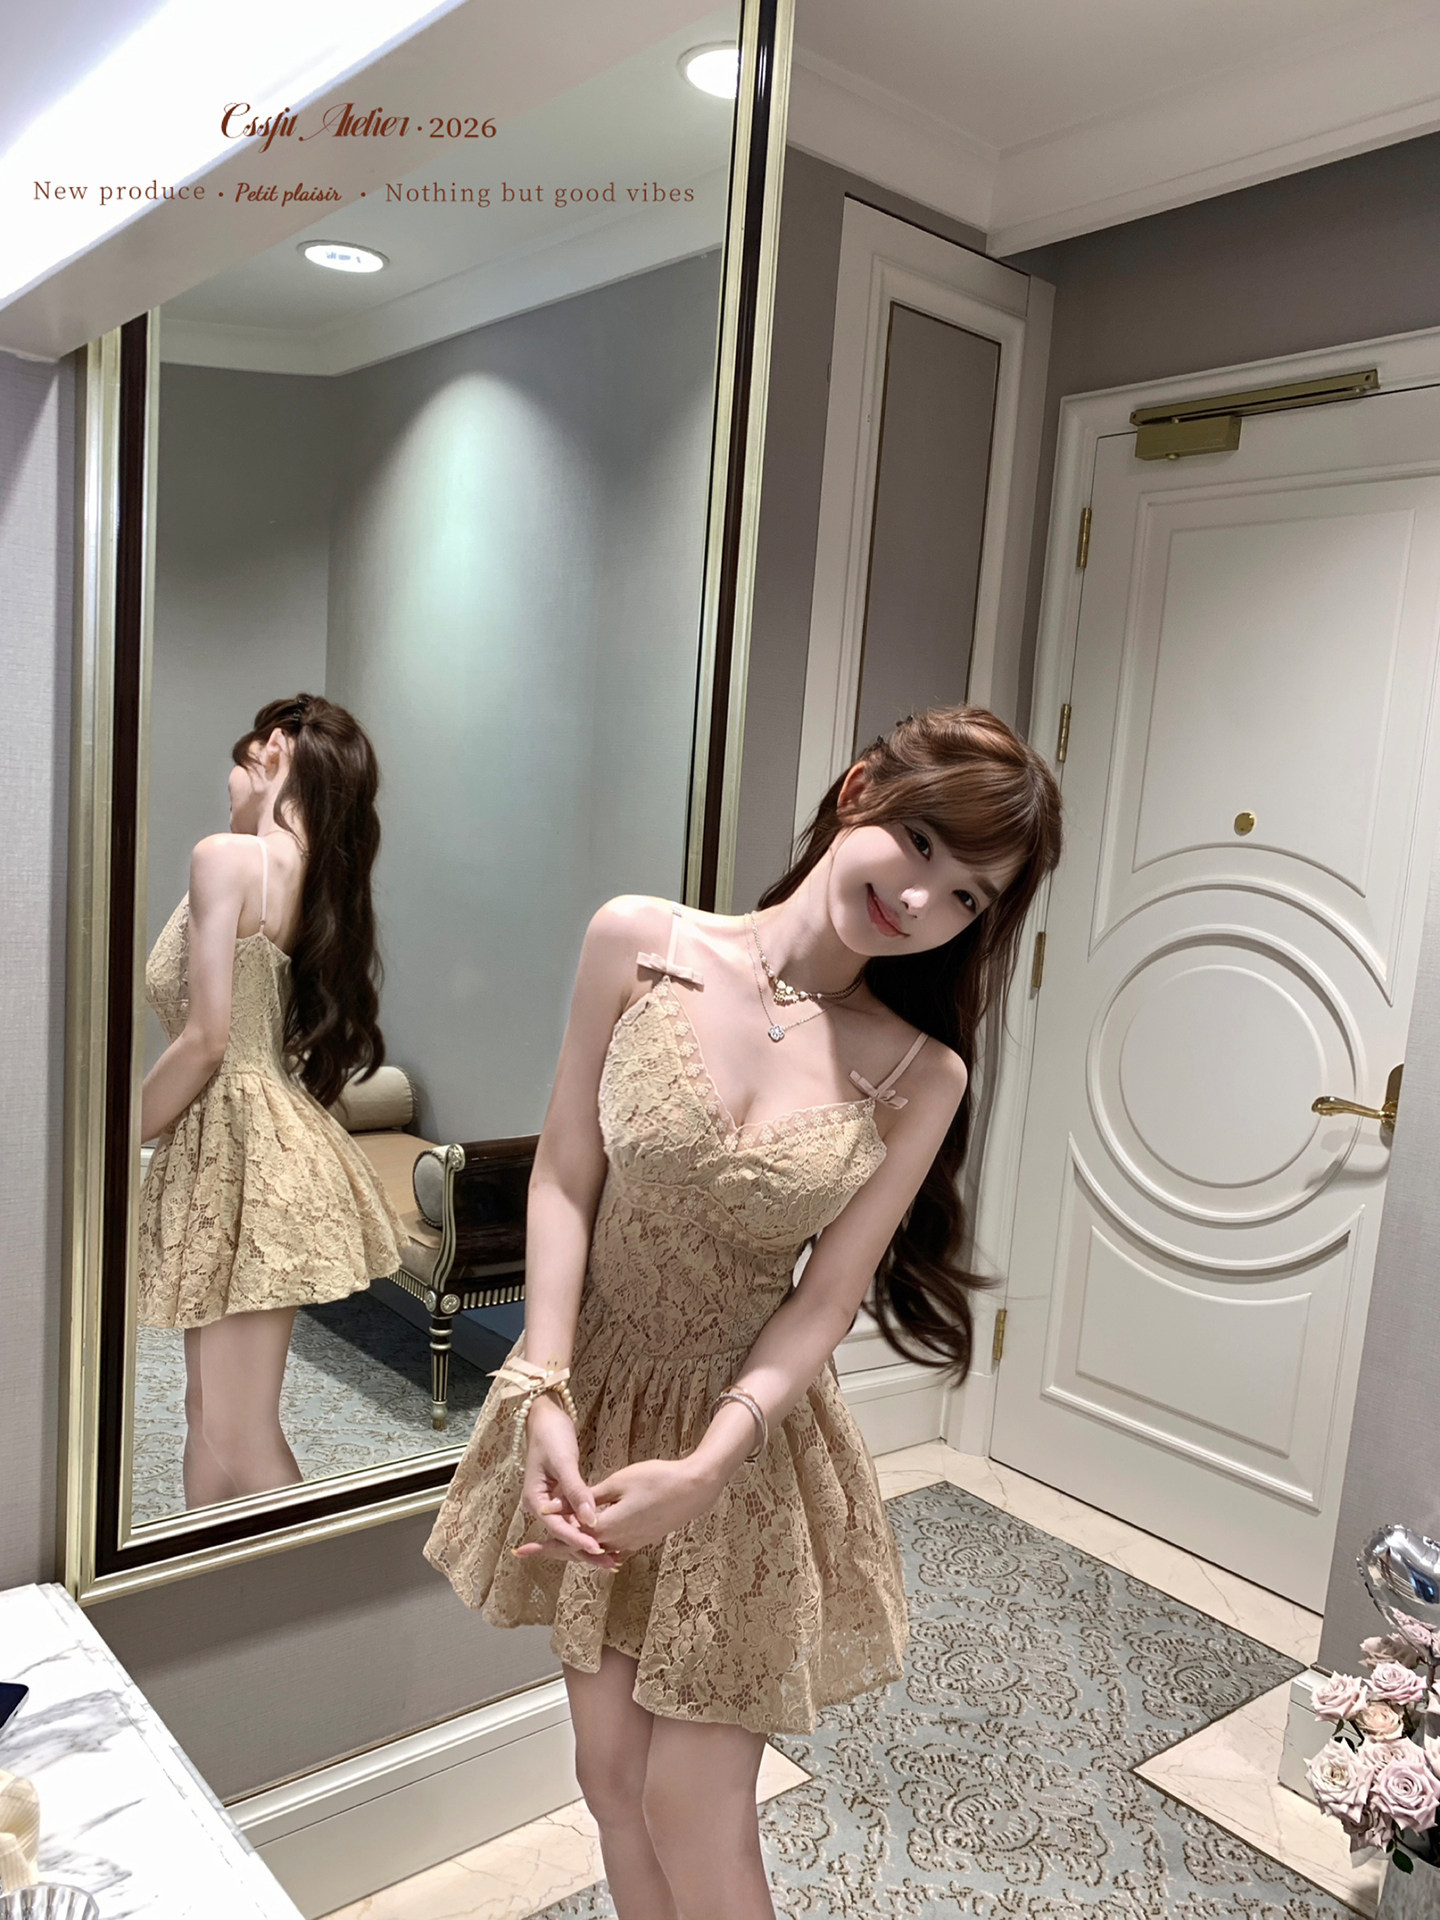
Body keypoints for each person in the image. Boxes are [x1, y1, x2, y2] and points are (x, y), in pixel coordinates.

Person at [425, 705, 1063, 1919]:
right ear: (861, 790)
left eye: (967, 896)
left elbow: (826, 1298)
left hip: (743, 1444)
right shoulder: (638, 943)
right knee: (610, 1780)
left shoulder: (921, 1073)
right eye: (923, 843)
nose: (922, 900)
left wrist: (710, 1465)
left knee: (694, 1809)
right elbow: (564, 1174)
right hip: (596, 1401)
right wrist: (539, 1384)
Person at [138, 694, 403, 1509]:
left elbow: (206, 1040)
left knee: (236, 1432)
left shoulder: (228, 858)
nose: (227, 781)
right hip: (245, 1150)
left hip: (243, 1151)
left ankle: (309, 1581)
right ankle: (208, 1580)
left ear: (276, 749)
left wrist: (111, 1136)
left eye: (237, 759)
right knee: (205, 1416)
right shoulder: (310, 879)